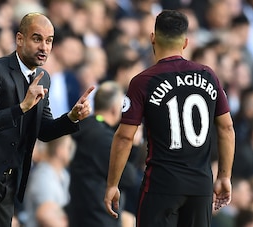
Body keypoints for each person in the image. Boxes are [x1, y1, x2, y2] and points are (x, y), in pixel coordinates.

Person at [0, 12, 94, 227]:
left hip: (10, 184)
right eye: (37, 39)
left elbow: (43, 130)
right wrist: (22, 107)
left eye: (49, 41)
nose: (44, 47)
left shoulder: (44, 78)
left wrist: (71, 117)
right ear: (19, 39)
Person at [104, 10, 235, 227]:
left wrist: (112, 184)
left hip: (162, 185)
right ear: (185, 42)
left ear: (153, 38)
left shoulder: (142, 81)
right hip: (200, 187)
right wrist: (224, 176)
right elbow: (227, 128)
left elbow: (125, 137)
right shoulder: (208, 75)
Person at [67, 81, 137, 227]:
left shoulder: (84, 127)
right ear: (114, 109)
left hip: (80, 212)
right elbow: (128, 177)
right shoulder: (103, 138)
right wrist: (134, 146)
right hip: (98, 216)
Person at [24, 135, 75, 227]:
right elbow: (45, 215)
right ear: (60, 151)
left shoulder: (63, 175)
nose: (72, 151)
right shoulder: (43, 176)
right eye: (69, 147)